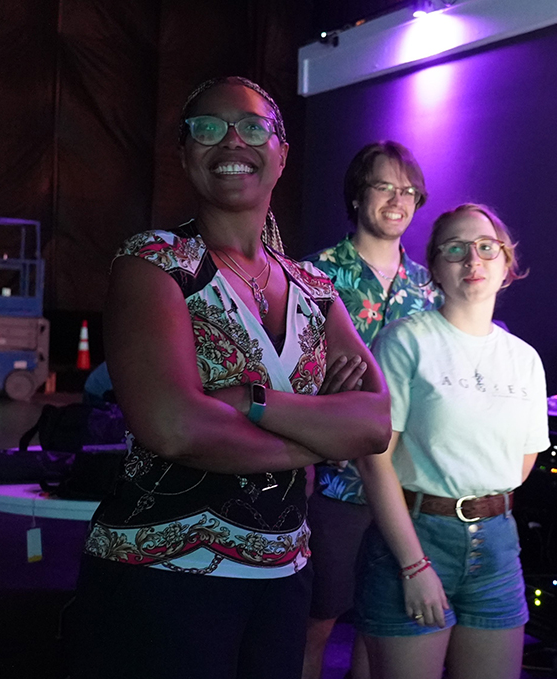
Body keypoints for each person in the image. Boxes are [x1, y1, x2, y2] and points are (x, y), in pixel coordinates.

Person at [71, 76, 391, 679]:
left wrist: (250, 399)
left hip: (283, 575)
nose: (230, 142)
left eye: (250, 127)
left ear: (281, 153)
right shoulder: (154, 263)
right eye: (207, 129)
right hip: (159, 577)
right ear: (185, 153)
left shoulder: (315, 289)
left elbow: (373, 424)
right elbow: (172, 426)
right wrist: (318, 438)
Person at [355, 204, 549, 679]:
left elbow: (521, 464)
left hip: (498, 544)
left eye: (487, 248)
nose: (473, 260)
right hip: (417, 535)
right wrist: (413, 565)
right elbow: (373, 461)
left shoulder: (524, 360)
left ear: (507, 265)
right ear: (436, 268)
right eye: (456, 249)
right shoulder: (405, 342)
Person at [303, 141, 441, 679]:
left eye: (408, 191)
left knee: (381, 625)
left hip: (409, 489)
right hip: (334, 485)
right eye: (384, 186)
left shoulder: (429, 288)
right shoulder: (311, 275)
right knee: (315, 623)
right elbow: (280, 374)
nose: (397, 200)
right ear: (359, 196)